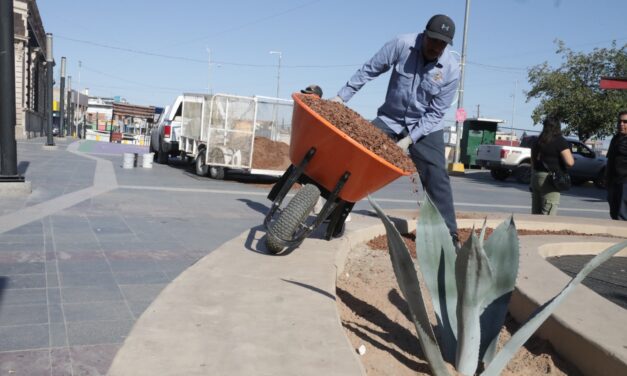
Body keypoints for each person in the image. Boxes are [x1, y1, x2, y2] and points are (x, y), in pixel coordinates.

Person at [330, 14, 461, 242]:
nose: (436, 47)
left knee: (437, 176)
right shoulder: (402, 44)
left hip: (426, 127)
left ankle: (447, 235)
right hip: (390, 118)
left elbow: (436, 112)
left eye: (442, 43)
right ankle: (335, 215)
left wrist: (410, 139)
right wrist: (342, 97)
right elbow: (370, 69)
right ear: (424, 34)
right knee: (360, 161)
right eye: (433, 40)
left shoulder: (450, 70)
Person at [530, 115, 575, 215]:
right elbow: (570, 162)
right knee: (547, 214)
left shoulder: (537, 140)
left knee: (536, 214)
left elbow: (533, 162)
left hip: (536, 177)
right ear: (558, 127)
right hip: (549, 180)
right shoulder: (560, 140)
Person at [606, 110, 627, 220]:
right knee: (614, 214)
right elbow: (610, 160)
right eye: (619, 121)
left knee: (622, 216)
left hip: (625, 183)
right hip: (613, 182)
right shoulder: (615, 139)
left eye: (625, 122)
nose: (621, 124)